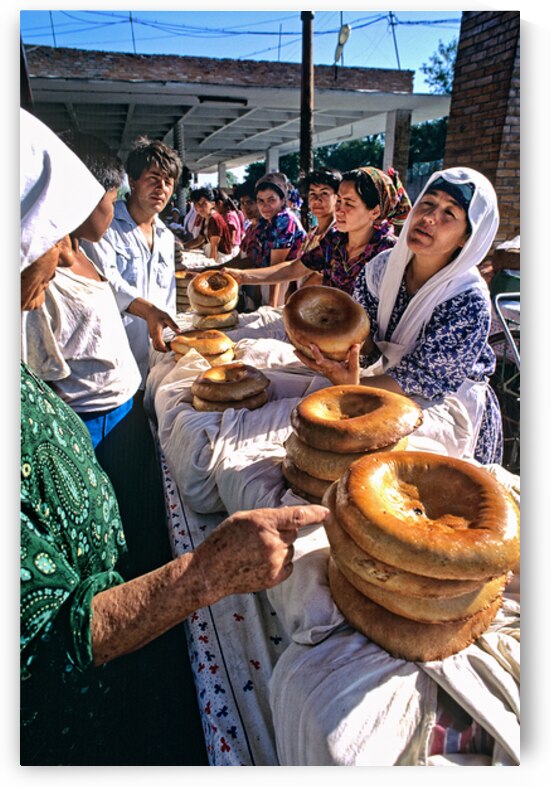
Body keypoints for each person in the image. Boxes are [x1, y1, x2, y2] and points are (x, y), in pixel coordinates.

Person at [20, 108, 329, 765]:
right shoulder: (52, 282)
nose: (60, 249)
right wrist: (203, 572)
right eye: (54, 233)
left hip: (130, 393)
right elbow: (35, 637)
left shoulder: (86, 261)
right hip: (58, 729)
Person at [296, 166, 503, 466]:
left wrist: (350, 385)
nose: (430, 217)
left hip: (445, 406)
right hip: (382, 383)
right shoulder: (381, 269)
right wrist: (342, 355)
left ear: (466, 239)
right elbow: (364, 340)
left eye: (449, 213)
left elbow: (422, 381)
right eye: (428, 203)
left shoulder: (466, 298)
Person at [81, 135, 182, 387]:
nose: (161, 188)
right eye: (153, 179)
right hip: (114, 361)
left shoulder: (166, 237)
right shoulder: (105, 227)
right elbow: (106, 283)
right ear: (133, 181)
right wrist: (148, 311)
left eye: (168, 182)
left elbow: (168, 298)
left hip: (158, 359)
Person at [223, 166, 411, 297]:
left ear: (375, 211)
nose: (340, 209)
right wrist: (243, 277)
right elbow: (294, 268)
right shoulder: (335, 241)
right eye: (339, 201)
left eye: (349, 203)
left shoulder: (389, 253)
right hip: (324, 332)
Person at [243, 172, 307, 307]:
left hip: (284, 289)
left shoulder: (284, 220)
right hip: (269, 284)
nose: (265, 206)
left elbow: (277, 268)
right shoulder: (266, 222)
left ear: (282, 201)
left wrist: (272, 306)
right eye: (261, 201)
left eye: (271, 200)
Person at [185, 186, 236, 263]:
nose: (199, 207)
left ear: (212, 204)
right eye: (196, 204)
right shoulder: (206, 218)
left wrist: (211, 268)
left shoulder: (215, 219)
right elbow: (199, 239)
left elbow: (214, 248)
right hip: (213, 256)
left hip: (220, 259)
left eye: (203, 203)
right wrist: (182, 246)